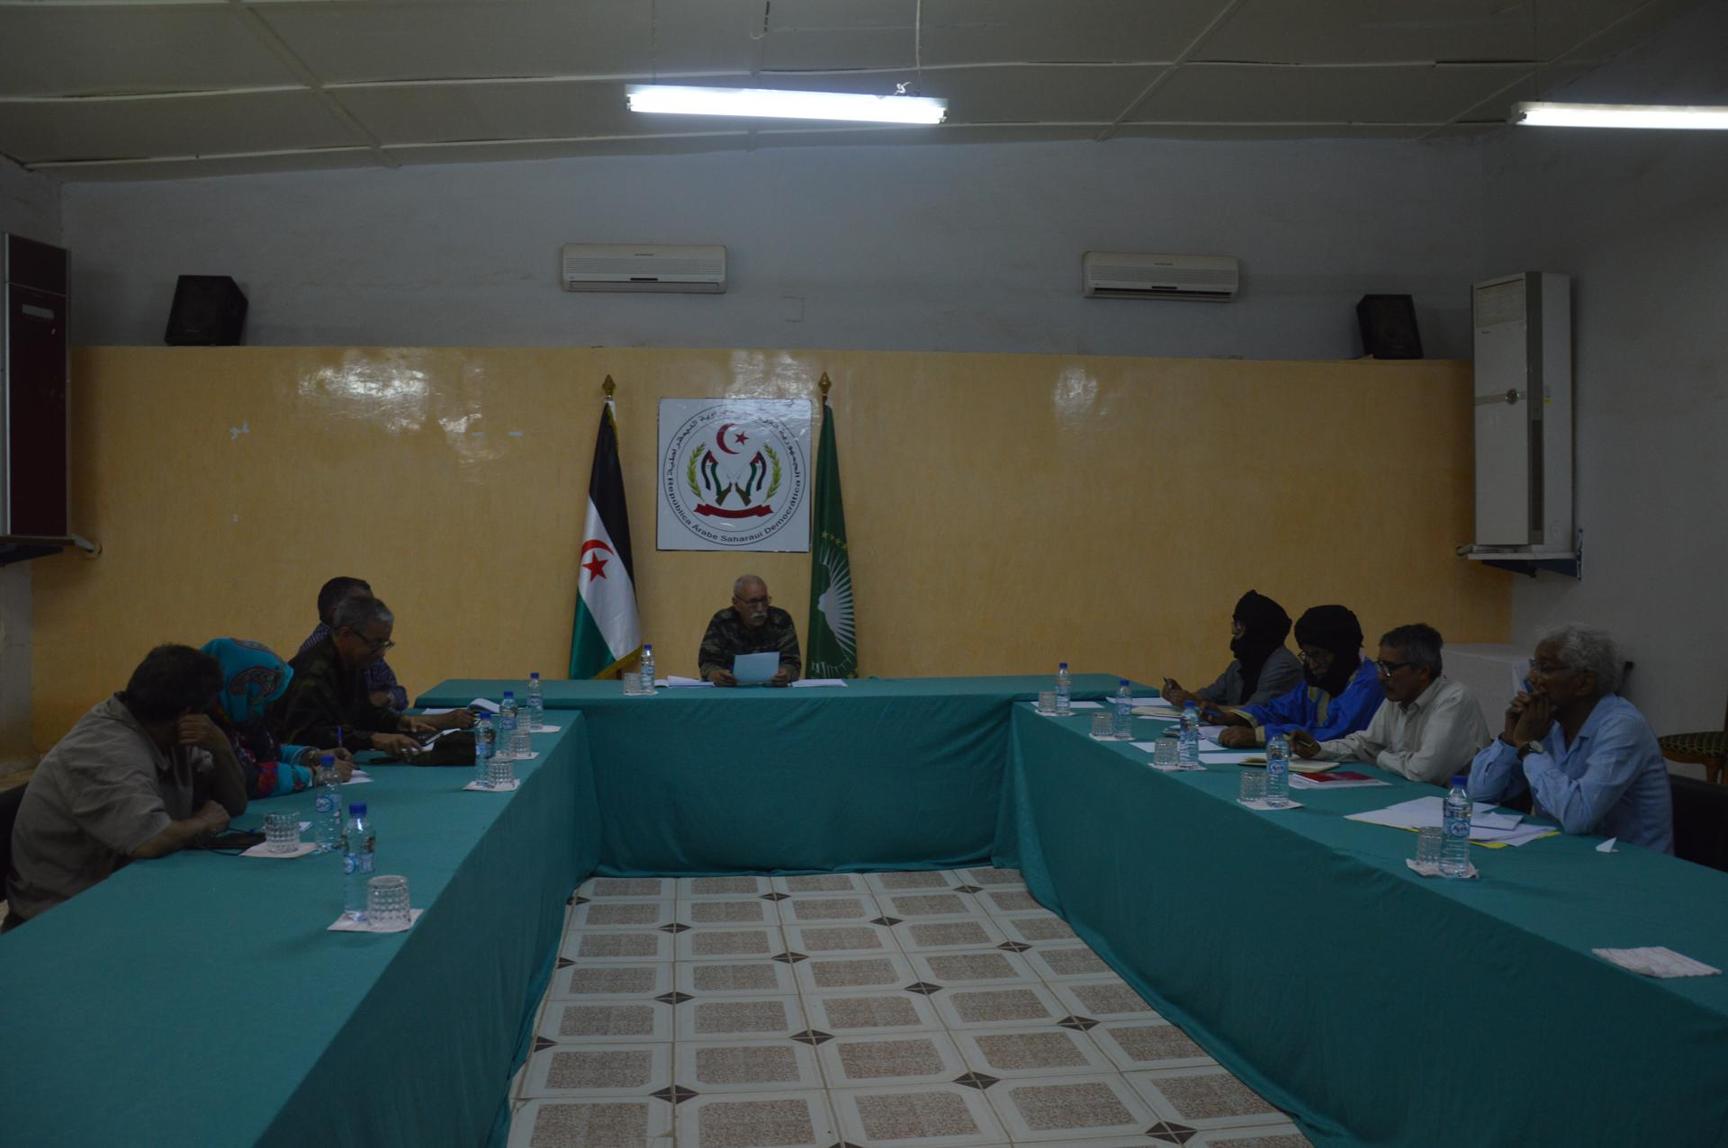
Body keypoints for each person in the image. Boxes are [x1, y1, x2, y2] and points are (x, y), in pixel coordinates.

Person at [3, 645, 248, 929]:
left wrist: (220, 746)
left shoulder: (165, 731)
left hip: (124, 894)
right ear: (188, 713)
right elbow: (149, 841)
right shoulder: (105, 750)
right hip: (61, 919)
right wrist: (203, 822)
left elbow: (234, 804)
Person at [1468, 624, 1672, 852]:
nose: (1531, 678)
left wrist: (1528, 746)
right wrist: (1509, 738)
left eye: (1544, 668)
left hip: (1631, 864)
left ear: (1583, 683)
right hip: (1565, 853)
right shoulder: (1547, 722)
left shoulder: (1623, 727)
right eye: (1533, 666)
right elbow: (1480, 794)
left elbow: (1579, 817)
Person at [271, 595, 471, 756]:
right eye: (375, 643)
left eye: (386, 644)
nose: (381, 653)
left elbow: (363, 712)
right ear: (345, 634)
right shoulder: (313, 672)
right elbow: (304, 735)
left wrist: (399, 723)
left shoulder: (350, 662)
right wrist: (373, 739)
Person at [1291, 623, 1489, 784]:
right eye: (1380, 665)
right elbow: (1365, 745)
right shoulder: (1398, 695)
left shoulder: (1454, 700)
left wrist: (1380, 756)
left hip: (1457, 807)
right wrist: (1320, 749)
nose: (1381, 676)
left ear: (1423, 671)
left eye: (1390, 668)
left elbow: (1423, 772)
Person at [1207, 604, 1383, 748]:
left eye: (1317, 655)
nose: (1312, 664)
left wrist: (1261, 736)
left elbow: (1336, 734)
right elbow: (1280, 710)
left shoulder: (1369, 683)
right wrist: (1233, 717)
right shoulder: (1321, 677)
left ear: (1343, 652)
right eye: (1307, 655)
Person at [201, 637, 352, 797]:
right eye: (260, 695)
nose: (264, 704)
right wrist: (315, 774)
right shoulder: (203, 725)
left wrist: (312, 756)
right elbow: (246, 777)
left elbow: (268, 751)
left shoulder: (243, 715)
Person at [1162, 590, 1302, 709]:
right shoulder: (1241, 665)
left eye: (1239, 627)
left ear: (1258, 631)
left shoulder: (1283, 667)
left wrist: (1197, 704)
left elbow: (1254, 713)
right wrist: (1181, 695)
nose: (1234, 633)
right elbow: (1210, 695)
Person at [298, 576, 409, 711]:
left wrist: (386, 697)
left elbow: (399, 693)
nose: (374, 612)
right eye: (362, 606)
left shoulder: (365, 645)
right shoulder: (316, 656)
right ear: (335, 612)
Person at [698, 575, 802, 687]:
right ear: (736, 603)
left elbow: (792, 662)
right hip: (730, 689)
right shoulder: (722, 621)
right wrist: (715, 675)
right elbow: (707, 663)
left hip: (772, 688)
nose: (760, 608)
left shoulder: (780, 619)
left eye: (764, 600)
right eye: (753, 602)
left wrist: (787, 673)